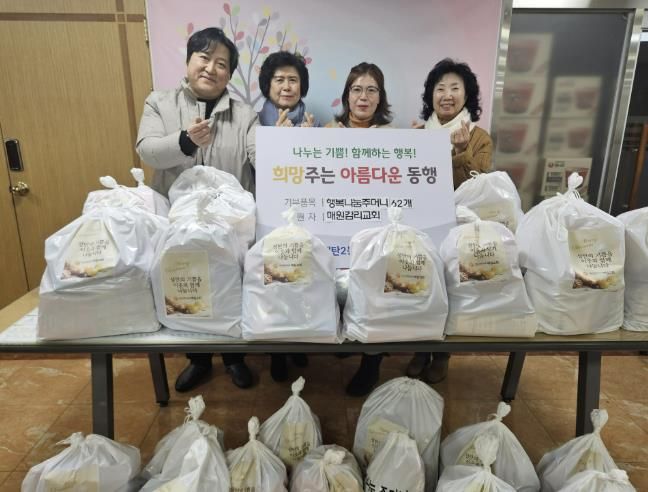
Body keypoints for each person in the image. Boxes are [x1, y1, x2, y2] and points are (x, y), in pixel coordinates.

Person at [136, 27, 257, 392]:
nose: (211, 68)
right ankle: (198, 358)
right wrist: (185, 141)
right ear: (189, 61)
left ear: (229, 74)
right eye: (204, 58)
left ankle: (234, 358)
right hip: (177, 223)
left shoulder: (245, 114)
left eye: (221, 63)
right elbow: (148, 150)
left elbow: (260, 157)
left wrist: (282, 144)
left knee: (229, 287)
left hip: (230, 226)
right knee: (186, 287)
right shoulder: (159, 103)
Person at [407, 58, 493, 384]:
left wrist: (461, 152)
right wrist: (408, 146)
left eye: (455, 88)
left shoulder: (480, 137)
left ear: (466, 95)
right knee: (421, 285)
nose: (446, 95)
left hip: (460, 230)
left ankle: (442, 355)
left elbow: (478, 184)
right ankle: (420, 347)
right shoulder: (419, 134)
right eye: (439, 88)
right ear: (430, 96)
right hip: (422, 225)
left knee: (453, 288)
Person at [328, 62, 393, 397]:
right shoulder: (328, 131)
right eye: (356, 89)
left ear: (380, 97)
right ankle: (342, 336)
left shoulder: (393, 137)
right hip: (334, 229)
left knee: (376, 288)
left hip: (375, 233)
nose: (363, 97)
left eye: (371, 90)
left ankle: (371, 363)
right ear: (347, 96)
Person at [257, 51, 316, 381]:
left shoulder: (314, 123)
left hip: (305, 214)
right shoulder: (255, 123)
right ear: (267, 85)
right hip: (269, 218)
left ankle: (298, 341)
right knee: (273, 280)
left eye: (293, 80)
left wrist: (309, 142)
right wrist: (277, 142)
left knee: (301, 278)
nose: (286, 86)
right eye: (279, 79)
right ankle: (277, 350)